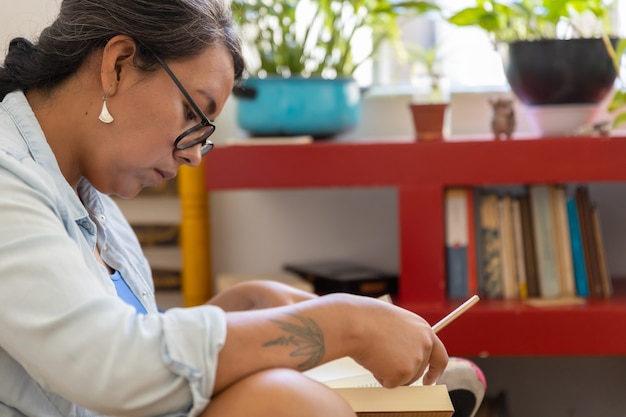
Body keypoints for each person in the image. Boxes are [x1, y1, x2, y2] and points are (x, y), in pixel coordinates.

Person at [0, 1, 479, 416]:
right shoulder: (8, 177)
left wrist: (239, 307)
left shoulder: (90, 196)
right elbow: (108, 364)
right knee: (290, 403)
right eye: (193, 112)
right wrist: (343, 325)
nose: (191, 155)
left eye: (204, 133)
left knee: (288, 396)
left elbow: (129, 346)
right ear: (119, 64)